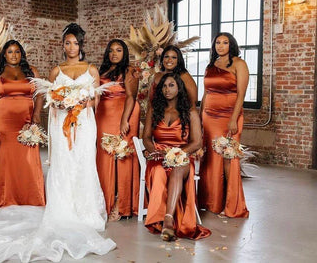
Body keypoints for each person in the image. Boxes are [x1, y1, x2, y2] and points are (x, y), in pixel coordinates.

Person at [0, 23, 115, 262]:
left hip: (83, 123)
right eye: (67, 43)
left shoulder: (90, 70)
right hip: (51, 123)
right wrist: (62, 104)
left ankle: (84, 210)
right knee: (60, 164)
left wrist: (76, 103)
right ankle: (53, 206)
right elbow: (49, 99)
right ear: (63, 46)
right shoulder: (54, 71)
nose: (71, 47)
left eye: (75, 43)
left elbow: (95, 102)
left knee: (82, 162)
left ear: (81, 45)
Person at [143, 73, 211, 241]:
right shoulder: (155, 108)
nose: (167, 89)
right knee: (158, 171)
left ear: (179, 88)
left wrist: (177, 154)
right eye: (164, 86)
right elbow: (145, 137)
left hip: (182, 155)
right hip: (159, 156)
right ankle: (161, 219)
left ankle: (167, 220)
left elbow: (197, 142)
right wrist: (154, 151)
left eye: (171, 85)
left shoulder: (190, 111)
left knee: (178, 168)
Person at [0, 40, 45, 207]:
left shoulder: (31, 71)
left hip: (26, 120)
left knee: (27, 158)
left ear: (22, 54)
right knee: (5, 158)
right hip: (3, 121)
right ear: (4, 54)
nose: (14, 55)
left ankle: (31, 198)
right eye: (10, 52)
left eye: (17, 52)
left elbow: (40, 94)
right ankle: (6, 198)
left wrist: (36, 115)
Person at [198, 32, 249, 218]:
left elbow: (241, 95)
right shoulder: (210, 66)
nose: (220, 46)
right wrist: (199, 116)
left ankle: (231, 204)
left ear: (231, 45)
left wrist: (234, 119)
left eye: (225, 42)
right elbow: (206, 93)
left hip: (229, 117)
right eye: (217, 43)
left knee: (229, 158)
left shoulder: (239, 64)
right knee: (210, 158)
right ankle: (211, 202)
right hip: (208, 117)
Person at [96, 39, 140, 220]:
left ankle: (121, 204)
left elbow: (131, 96)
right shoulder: (102, 71)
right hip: (104, 114)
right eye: (111, 50)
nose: (114, 53)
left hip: (124, 112)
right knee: (105, 157)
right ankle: (104, 201)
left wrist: (124, 120)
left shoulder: (130, 70)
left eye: (119, 50)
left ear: (125, 53)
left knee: (122, 157)